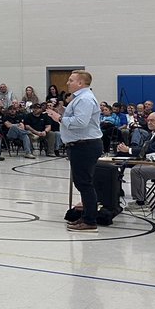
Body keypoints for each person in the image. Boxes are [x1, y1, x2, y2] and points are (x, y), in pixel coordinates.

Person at [46, 70, 102, 233]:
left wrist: (59, 118)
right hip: (80, 145)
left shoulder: (84, 99)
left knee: (84, 183)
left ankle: (90, 220)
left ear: (81, 83)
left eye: (71, 80)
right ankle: (86, 216)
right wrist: (61, 112)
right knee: (82, 182)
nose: (68, 83)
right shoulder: (79, 99)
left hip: (85, 145)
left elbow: (80, 122)